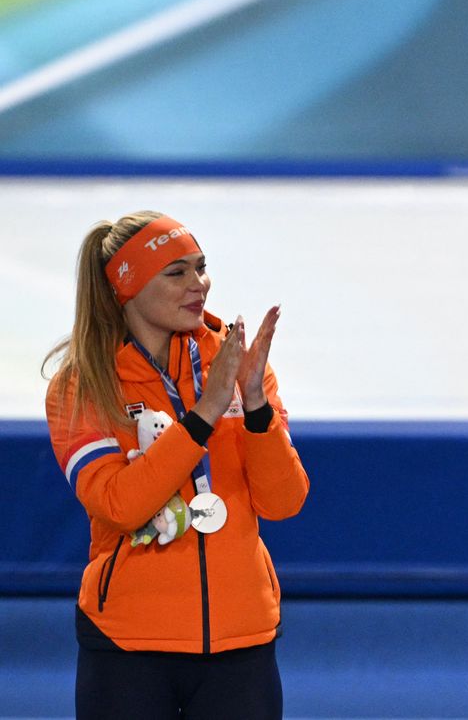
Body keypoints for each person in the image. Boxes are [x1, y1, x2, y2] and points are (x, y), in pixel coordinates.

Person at [44, 211, 309, 720]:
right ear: (128, 287)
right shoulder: (82, 384)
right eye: (177, 272)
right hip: (128, 643)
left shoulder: (238, 365)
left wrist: (254, 405)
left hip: (242, 637)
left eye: (201, 267)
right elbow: (120, 504)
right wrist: (204, 414)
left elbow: (284, 502)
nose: (200, 284)